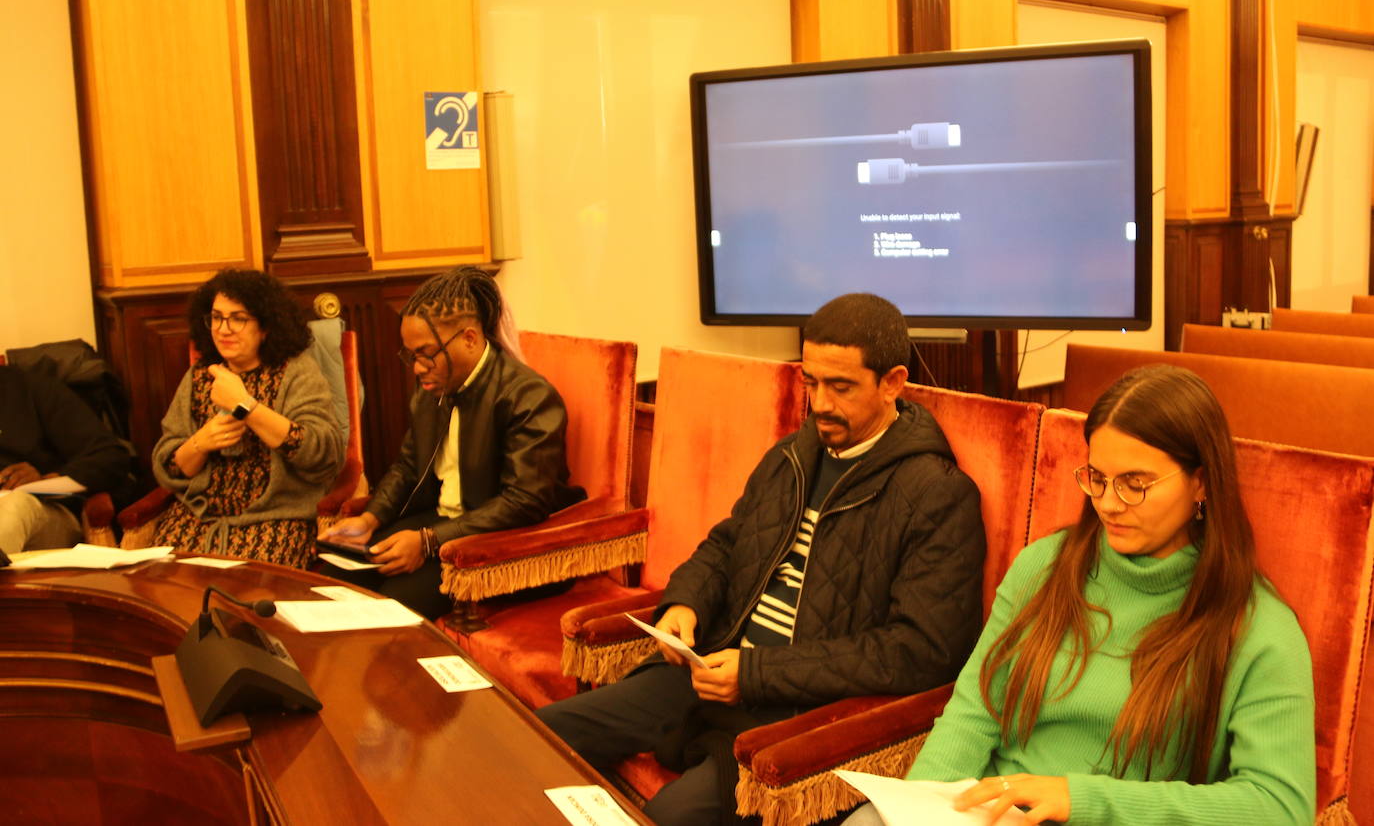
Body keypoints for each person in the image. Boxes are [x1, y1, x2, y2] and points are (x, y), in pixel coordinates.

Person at [537, 292, 985, 826]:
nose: (820, 403)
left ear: (892, 383)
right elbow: (727, 545)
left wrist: (757, 673)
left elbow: (921, 651)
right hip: (711, 667)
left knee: (671, 816)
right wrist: (685, 604)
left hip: (795, 714)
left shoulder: (937, 493)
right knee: (540, 733)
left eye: (841, 387)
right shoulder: (793, 456)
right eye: (811, 382)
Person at [843, 364, 1315, 826]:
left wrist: (1082, 798)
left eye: (1135, 484)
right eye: (1097, 478)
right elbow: (976, 712)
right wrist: (914, 809)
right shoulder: (1046, 567)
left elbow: (1278, 806)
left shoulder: (1259, 628)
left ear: (1202, 482)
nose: (1109, 503)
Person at [319, 266, 584, 618]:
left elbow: (523, 502)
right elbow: (408, 466)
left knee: (390, 611)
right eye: (410, 355)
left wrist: (428, 541)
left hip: (498, 543)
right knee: (329, 579)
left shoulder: (529, 396)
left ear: (470, 339)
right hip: (442, 525)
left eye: (426, 353)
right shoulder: (434, 387)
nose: (416, 367)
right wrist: (371, 517)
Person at [150, 269, 343, 568]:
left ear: (265, 326)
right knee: (164, 591)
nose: (223, 329)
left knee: (246, 599)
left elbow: (322, 453)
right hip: (198, 520)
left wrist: (245, 406)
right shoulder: (201, 375)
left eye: (238, 318)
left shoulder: (296, 372)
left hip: (274, 522)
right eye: (216, 317)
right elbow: (169, 467)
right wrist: (200, 443)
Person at [0, 362, 130, 554]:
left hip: (42, 512)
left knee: (17, 505)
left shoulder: (31, 389)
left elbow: (110, 456)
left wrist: (47, 479)